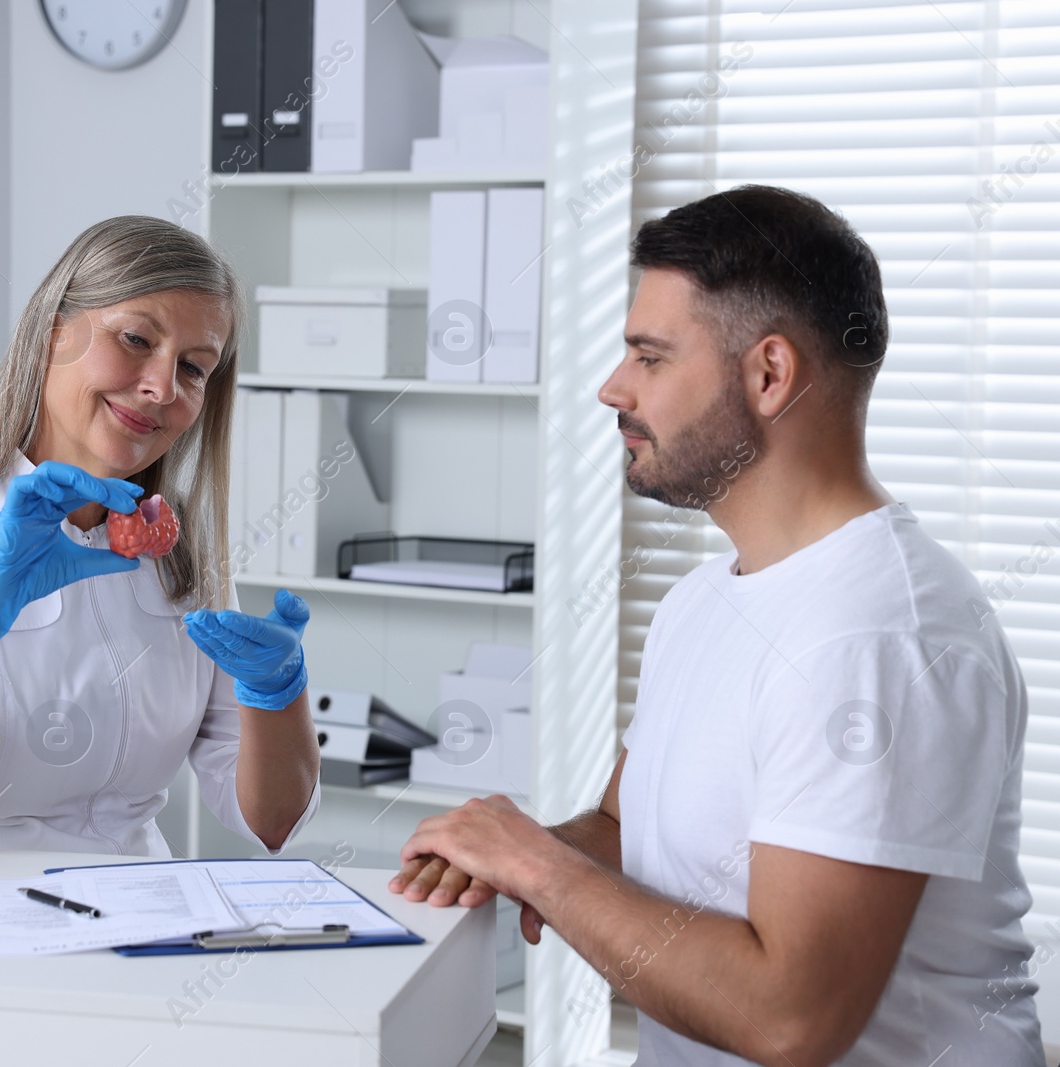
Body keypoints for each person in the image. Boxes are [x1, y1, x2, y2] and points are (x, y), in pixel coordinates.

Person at [388, 186, 1045, 1065]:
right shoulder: (706, 598)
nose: (611, 388)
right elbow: (629, 828)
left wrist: (541, 868)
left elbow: (790, 1018)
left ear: (769, 374)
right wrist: (508, 856)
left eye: (650, 357)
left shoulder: (880, 639)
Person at [0, 215, 321, 858]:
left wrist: (277, 694)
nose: (160, 386)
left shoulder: (179, 545)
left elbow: (271, 823)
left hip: (130, 910)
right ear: (52, 335)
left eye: (193, 369)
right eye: (134, 339)